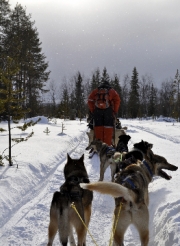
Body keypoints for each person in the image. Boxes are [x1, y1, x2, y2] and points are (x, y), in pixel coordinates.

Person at [87, 80, 120, 146]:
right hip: (108, 112)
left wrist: (93, 110)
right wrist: (115, 111)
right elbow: (117, 100)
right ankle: (107, 146)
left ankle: (99, 145)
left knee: (98, 128)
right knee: (108, 128)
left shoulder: (96, 91)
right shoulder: (112, 91)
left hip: (97, 112)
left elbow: (90, 100)